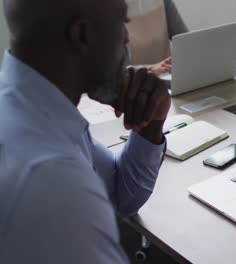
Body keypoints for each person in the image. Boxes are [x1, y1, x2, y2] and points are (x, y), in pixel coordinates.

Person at [0, 0, 170, 262]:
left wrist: (151, 122)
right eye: (123, 23)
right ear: (82, 35)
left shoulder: (34, 108)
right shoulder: (53, 184)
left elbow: (118, 195)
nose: (127, 38)